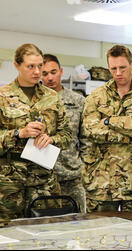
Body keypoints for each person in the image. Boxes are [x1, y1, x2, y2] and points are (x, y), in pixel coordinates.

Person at [82, 45, 132, 216]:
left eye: (122, 67)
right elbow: (90, 130)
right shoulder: (96, 96)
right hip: (101, 182)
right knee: (98, 237)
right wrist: (128, 134)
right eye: (113, 68)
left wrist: (110, 120)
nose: (118, 73)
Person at [0, 43, 71, 223]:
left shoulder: (52, 97)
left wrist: (52, 138)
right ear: (17, 65)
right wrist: (19, 133)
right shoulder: (3, 96)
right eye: (31, 66)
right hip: (9, 185)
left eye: (40, 66)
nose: (37, 71)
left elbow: (68, 134)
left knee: (46, 234)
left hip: (44, 182)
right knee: (8, 236)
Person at [41, 54, 89, 213]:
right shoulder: (33, 102)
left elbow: (86, 140)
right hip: (42, 178)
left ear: (61, 72)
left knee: (78, 228)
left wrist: (84, 168)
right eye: (45, 73)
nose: (49, 77)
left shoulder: (78, 101)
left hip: (71, 176)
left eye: (53, 72)